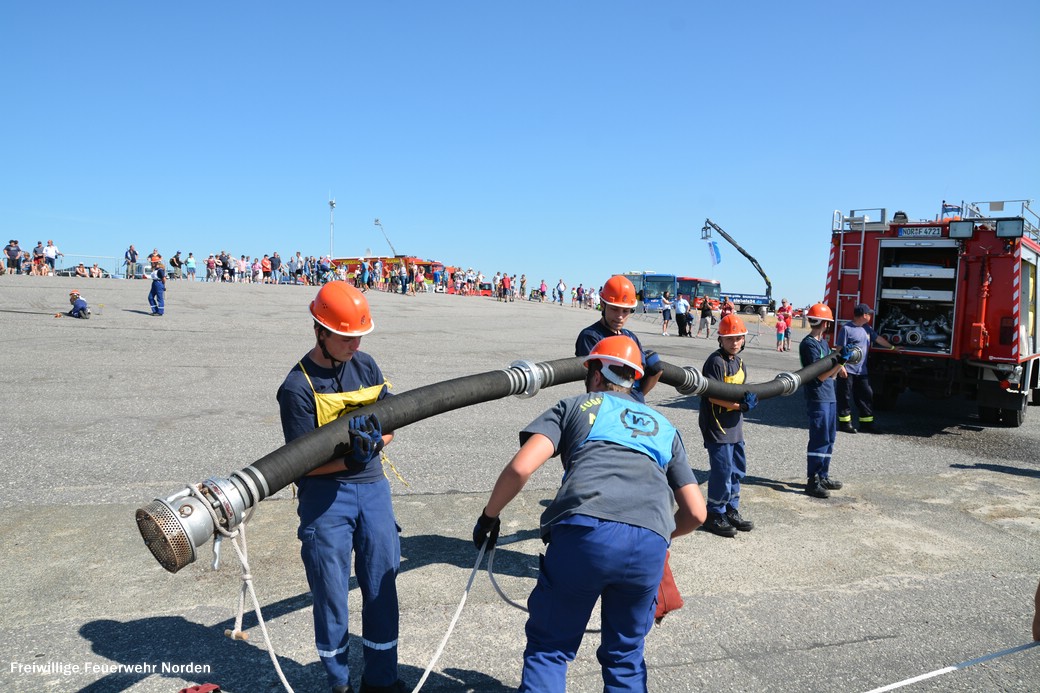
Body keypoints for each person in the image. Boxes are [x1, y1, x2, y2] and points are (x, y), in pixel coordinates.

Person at [473, 335, 707, 692]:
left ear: (596, 373)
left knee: (550, 649)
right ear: (634, 378)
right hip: (648, 546)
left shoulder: (575, 406)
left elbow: (521, 469)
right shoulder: (665, 427)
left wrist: (489, 517)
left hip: (585, 533)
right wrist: (660, 535)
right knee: (625, 657)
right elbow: (697, 512)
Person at [276, 281, 405, 693]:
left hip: (373, 490)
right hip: (325, 499)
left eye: (359, 335)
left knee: (381, 585)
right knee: (331, 595)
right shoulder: (297, 388)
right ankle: (339, 684)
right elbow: (298, 466)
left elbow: (393, 422)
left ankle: (382, 682)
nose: (355, 342)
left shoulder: (366, 366)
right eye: (346, 336)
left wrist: (376, 445)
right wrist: (348, 458)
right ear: (319, 330)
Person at [698, 314, 758, 538]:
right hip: (718, 427)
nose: (735, 342)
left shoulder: (740, 362)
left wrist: (746, 403)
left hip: (735, 427)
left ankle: (731, 509)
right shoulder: (715, 362)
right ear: (720, 339)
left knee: (736, 470)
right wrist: (739, 406)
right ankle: (714, 513)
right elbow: (712, 396)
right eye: (730, 338)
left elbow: (741, 390)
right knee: (722, 471)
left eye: (738, 338)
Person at [575, 275, 663, 403]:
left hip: (634, 405)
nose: (620, 316)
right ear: (602, 305)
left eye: (625, 311)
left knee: (655, 363)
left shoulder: (631, 337)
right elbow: (596, 381)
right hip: (607, 406)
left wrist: (636, 398)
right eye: (614, 309)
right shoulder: (590, 336)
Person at [799, 303, 854, 498]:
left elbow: (830, 375)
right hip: (818, 396)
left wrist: (840, 366)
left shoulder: (822, 343)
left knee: (829, 437)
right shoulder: (809, 345)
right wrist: (840, 363)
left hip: (829, 395)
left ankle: (823, 475)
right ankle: (813, 480)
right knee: (819, 437)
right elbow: (819, 376)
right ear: (825, 323)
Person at [836, 303, 896, 434]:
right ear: (863, 315)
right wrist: (841, 367)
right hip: (848, 370)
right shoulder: (846, 329)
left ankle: (867, 424)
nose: (870, 315)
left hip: (862, 371)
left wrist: (892, 347)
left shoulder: (867, 328)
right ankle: (845, 424)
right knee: (844, 397)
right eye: (869, 313)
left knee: (866, 395)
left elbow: (878, 339)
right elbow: (840, 349)